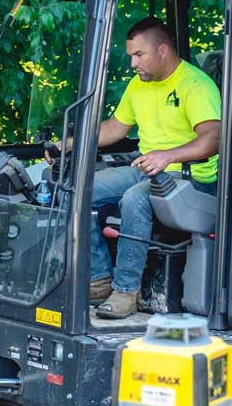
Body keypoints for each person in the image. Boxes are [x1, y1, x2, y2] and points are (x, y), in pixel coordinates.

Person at [89, 17, 222, 319]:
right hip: (148, 167)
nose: (133, 63)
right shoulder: (138, 85)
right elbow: (114, 129)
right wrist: (67, 144)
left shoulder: (195, 85)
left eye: (139, 55)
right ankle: (98, 280)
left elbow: (213, 140)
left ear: (162, 50)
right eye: (131, 56)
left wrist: (168, 156)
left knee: (136, 199)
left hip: (193, 177)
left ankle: (125, 292)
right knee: (81, 191)